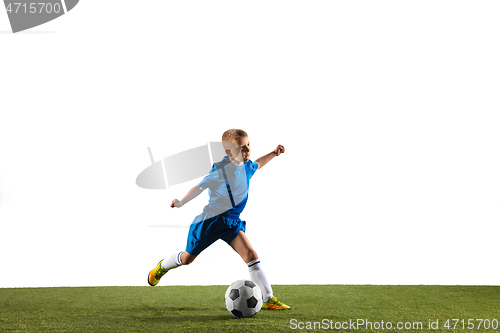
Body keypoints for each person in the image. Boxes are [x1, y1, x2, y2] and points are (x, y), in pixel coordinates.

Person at [147, 129, 290, 310]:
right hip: (210, 223)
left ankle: (268, 298)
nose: (246, 151)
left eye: (248, 145)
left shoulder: (247, 166)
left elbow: (258, 164)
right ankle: (162, 267)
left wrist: (274, 154)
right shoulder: (221, 170)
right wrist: (181, 201)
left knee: (251, 255)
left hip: (231, 223)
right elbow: (199, 187)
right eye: (241, 148)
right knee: (186, 259)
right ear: (229, 152)